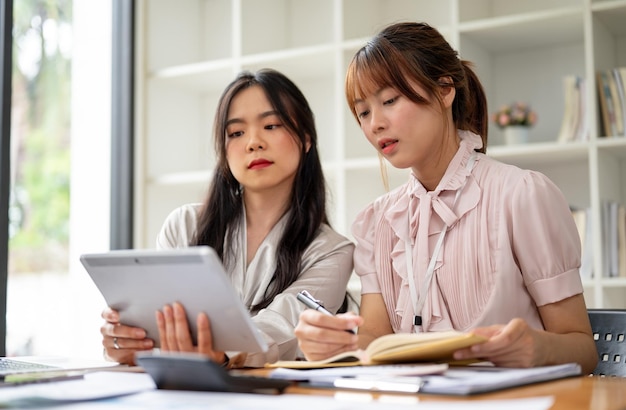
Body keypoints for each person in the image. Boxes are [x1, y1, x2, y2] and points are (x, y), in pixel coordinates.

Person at [294, 22, 598, 373]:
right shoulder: (375, 223)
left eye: (390, 100)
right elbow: (376, 340)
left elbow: (583, 349)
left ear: (444, 90)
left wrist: (538, 349)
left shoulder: (522, 195)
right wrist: (335, 344)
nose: (375, 123)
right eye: (363, 112)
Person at [100, 69, 354, 368]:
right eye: (236, 133)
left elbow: (281, 325)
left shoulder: (332, 251)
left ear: (306, 138)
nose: (253, 142)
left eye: (271, 125)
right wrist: (130, 341)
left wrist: (220, 353)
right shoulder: (184, 226)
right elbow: (160, 322)